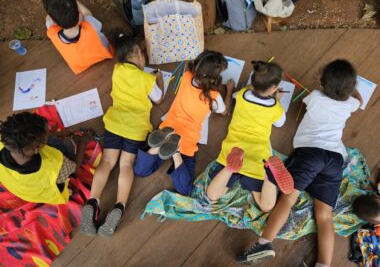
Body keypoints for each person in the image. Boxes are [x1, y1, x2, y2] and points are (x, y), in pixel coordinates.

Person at [237, 59, 363, 267]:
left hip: (310, 155)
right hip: (334, 160)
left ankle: (265, 243)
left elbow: (320, 93)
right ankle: (323, 264)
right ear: (350, 88)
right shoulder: (350, 103)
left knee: (287, 199)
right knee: (325, 216)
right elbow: (357, 99)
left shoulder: (315, 97)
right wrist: (352, 89)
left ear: (322, 83)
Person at [80, 31, 164, 237]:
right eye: (142, 55)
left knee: (107, 162)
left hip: (114, 123)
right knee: (126, 165)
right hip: (135, 129)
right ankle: (119, 205)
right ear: (137, 54)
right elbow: (158, 99)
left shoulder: (117, 69)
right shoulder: (146, 78)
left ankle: (93, 200)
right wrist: (158, 79)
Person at [133, 50, 234, 196]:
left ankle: (156, 148)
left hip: (167, 127)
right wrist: (229, 90)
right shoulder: (213, 96)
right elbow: (224, 112)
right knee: (186, 189)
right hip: (187, 139)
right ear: (214, 78)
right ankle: (175, 152)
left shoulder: (186, 76)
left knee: (140, 171)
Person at [207, 61, 294, 212]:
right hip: (258, 155)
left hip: (233, 149)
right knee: (266, 206)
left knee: (212, 195)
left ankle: (229, 169)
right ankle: (269, 177)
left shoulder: (241, 95)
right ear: (274, 89)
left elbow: (239, 93)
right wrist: (277, 100)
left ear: (252, 81)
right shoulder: (275, 107)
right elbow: (280, 123)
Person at [0, 112, 87, 204]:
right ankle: (66, 192)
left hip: (22, 189)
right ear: (37, 148)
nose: (50, 133)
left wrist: (60, 133)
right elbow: (75, 167)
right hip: (48, 192)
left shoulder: (6, 138)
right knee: (66, 149)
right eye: (47, 133)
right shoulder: (56, 165)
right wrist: (83, 141)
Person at [42, 0, 112, 74]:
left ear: (54, 22)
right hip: (102, 54)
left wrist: (54, 11)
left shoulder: (52, 31)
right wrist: (74, 1)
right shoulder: (91, 26)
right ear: (79, 13)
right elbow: (88, 13)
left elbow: (48, 20)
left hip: (79, 66)